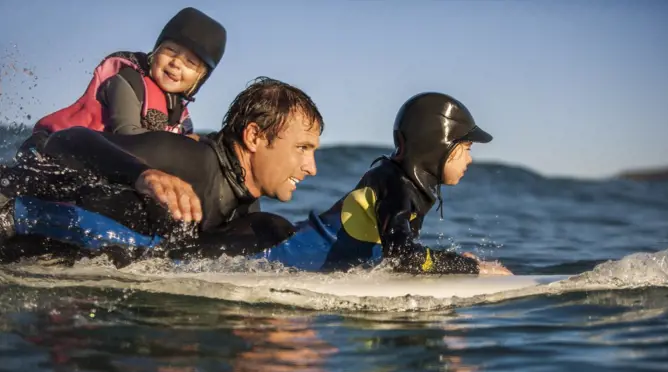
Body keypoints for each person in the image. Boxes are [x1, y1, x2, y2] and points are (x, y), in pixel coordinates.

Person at [0, 77, 323, 263]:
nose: (311, 168)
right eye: (302, 148)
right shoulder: (186, 158)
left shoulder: (245, 210)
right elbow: (66, 140)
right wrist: (142, 174)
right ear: (254, 136)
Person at [253, 91, 512, 275]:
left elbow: (398, 254)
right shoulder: (397, 186)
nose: (469, 159)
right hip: (268, 258)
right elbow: (403, 257)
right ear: (437, 146)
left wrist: (454, 263)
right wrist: (471, 268)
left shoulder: (402, 182)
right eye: (465, 148)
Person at [18, 7, 227, 155]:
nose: (176, 64)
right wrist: (183, 145)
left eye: (190, 63)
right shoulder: (128, 81)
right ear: (155, 51)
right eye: (171, 51)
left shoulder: (181, 118)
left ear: (200, 79)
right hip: (49, 150)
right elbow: (127, 134)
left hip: (98, 163)